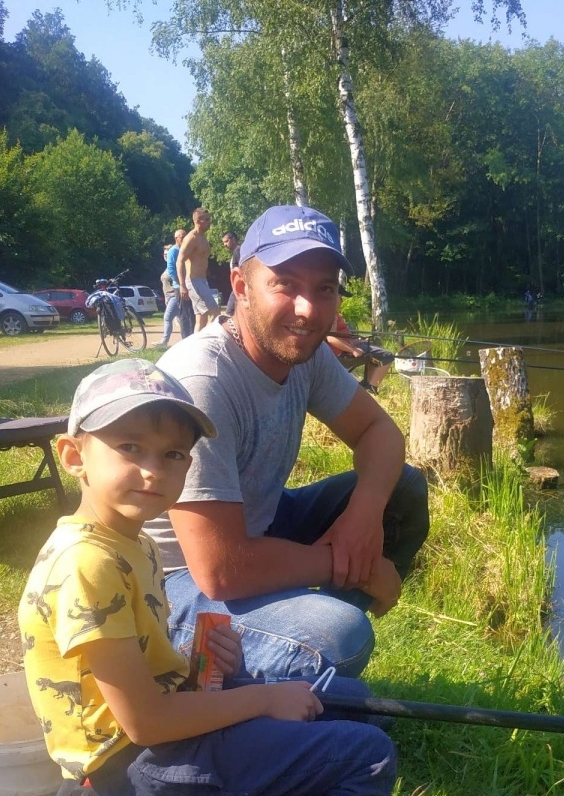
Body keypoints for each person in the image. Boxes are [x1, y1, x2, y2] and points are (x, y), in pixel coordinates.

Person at [18, 358, 397, 796]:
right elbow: (145, 724)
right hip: (138, 768)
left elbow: (155, 675)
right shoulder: (87, 565)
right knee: (369, 758)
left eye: (172, 455)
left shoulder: (124, 540)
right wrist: (261, 698)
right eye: (129, 448)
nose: (152, 470)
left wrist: (204, 662)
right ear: (73, 454)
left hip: (153, 745)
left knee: (354, 710)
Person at [144, 203, 429, 683]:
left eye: (324, 289)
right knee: (340, 635)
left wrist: (362, 519)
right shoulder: (203, 378)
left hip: (260, 525)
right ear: (241, 288)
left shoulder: (305, 355)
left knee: (403, 490)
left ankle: (302, 645)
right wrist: (357, 567)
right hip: (177, 585)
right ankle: (288, 655)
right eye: (286, 285)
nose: (308, 309)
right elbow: (218, 570)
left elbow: (380, 435)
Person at [326, 303, 394, 395]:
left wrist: (357, 340)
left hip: (349, 347)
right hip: (343, 354)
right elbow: (331, 337)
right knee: (387, 356)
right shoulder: (331, 313)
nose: (342, 300)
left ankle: (367, 387)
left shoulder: (333, 312)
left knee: (375, 354)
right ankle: (370, 388)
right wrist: (353, 350)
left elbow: (341, 335)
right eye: (340, 296)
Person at [177, 207, 219, 332]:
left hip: (202, 280)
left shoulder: (203, 237)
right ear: (198, 221)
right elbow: (180, 260)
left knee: (201, 318)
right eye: (207, 219)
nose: (209, 222)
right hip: (193, 281)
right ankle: (207, 341)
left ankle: (195, 346)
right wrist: (182, 285)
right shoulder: (191, 238)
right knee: (215, 312)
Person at [221, 230, 240, 317]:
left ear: (233, 239)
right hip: (237, 287)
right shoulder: (237, 251)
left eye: (226, 241)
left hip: (239, 287)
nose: (225, 244)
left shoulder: (238, 251)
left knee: (229, 313)